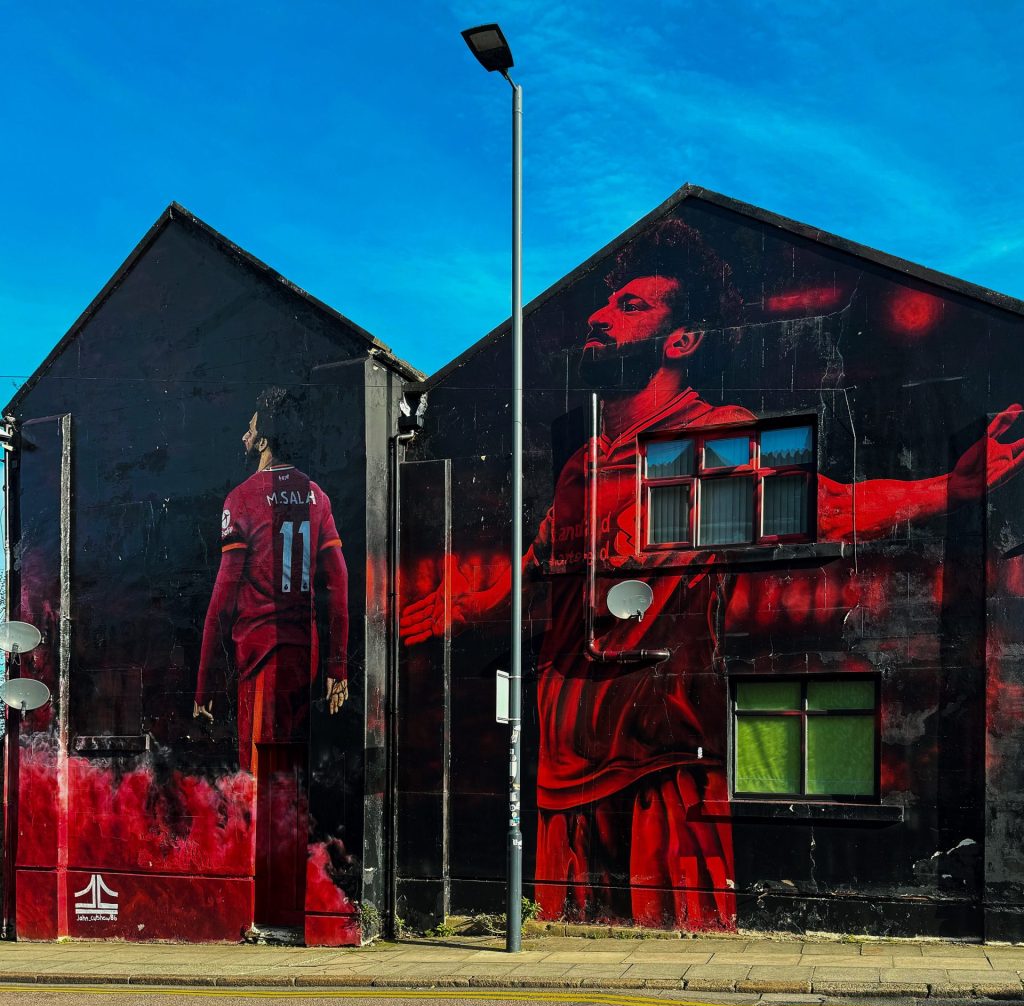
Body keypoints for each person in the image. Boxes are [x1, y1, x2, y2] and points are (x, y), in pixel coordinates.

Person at [400, 220, 1024, 929]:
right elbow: (535, 573)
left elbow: (826, 504)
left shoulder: (710, 437)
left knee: (676, 929)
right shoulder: (582, 467)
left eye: (631, 306)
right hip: (561, 786)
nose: (600, 315)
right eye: (606, 303)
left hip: (664, 776)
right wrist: (461, 605)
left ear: (682, 340)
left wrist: (950, 489)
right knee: (561, 934)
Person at [195, 386, 349, 773]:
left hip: (262, 660)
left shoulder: (242, 498)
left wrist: (204, 682)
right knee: (292, 777)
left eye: (250, 429)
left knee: (258, 779)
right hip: (305, 662)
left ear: (263, 440)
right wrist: (337, 668)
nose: (244, 436)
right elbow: (339, 583)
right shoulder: (317, 496)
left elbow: (222, 599)